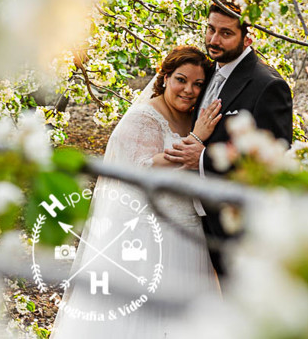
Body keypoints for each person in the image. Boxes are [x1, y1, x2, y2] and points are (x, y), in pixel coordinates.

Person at [50, 46, 223, 338]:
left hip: (189, 232)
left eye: (198, 84)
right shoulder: (143, 117)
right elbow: (144, 170)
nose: (189, 90)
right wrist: (197, 138)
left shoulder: (192, 116)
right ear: (165, 77)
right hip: (151, 238)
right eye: (181, 80)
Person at [164, 3, 293, 278]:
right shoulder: (207, 73)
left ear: (248, 38)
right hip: (197, 221)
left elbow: (274, 161)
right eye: (210, 29)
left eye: (225, 33)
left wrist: (201, 158)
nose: (213, 40)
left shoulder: (268, 86)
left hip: (239, 228)